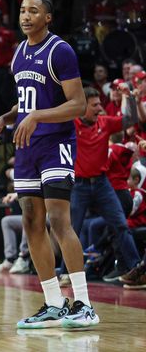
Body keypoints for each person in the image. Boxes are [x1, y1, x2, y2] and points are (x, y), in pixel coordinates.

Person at [0, 0, 98, 328]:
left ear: (47, 17)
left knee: (58, 220)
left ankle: (83, 303)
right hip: (26, 146)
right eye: (22, 10)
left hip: (56, 143)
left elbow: (78, 104)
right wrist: (5, 118)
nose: (25, 16)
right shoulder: (19, 52)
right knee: (32, 220)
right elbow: (25, 104)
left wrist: (36, 116)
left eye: (33, 11)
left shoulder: (59, 50)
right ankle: (53, 303)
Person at [70, 87, 141, 282]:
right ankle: (66, 272)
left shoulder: (105, 123)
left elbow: (130, 121)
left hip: (102, 184)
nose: (100, 108)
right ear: (82, 107)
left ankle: (136, 269)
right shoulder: (71, 124)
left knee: (120, 225)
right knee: (71, 231)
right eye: (95, 105)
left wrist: (131, 99)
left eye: (100, 103)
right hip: (79, 186)